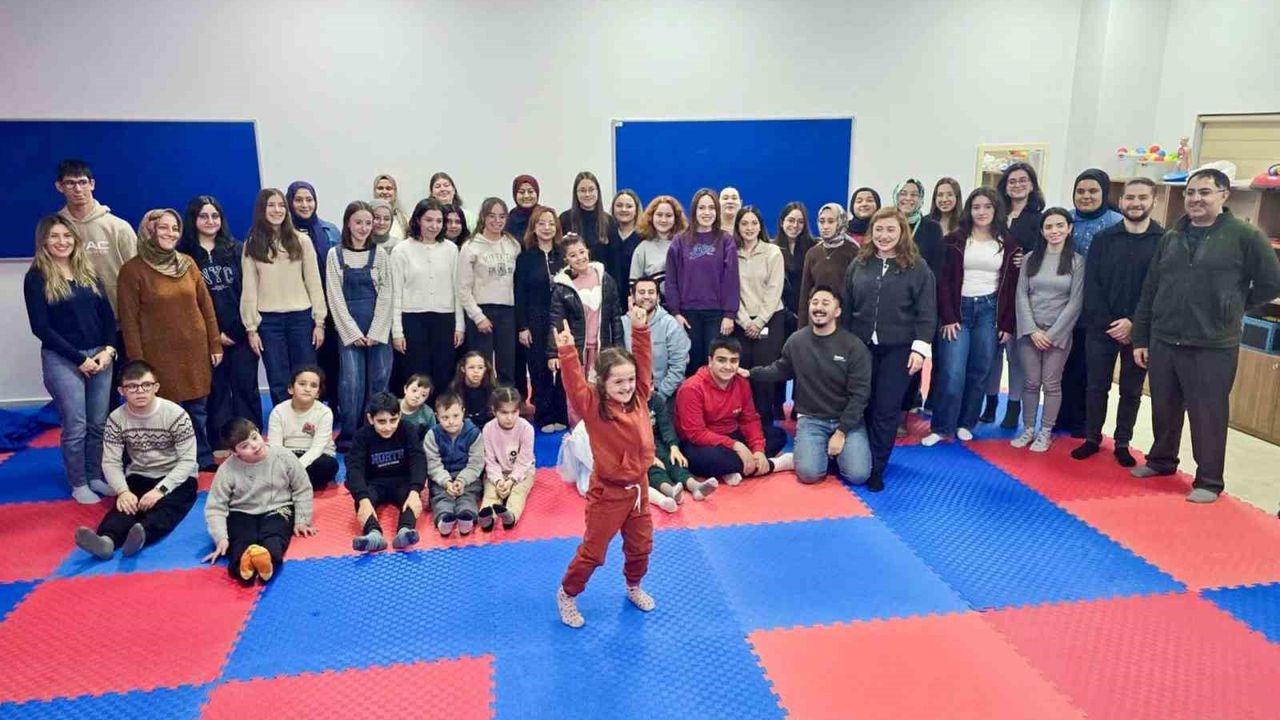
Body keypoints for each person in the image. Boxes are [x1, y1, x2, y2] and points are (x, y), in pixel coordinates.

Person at [1131, 168, 1280, 503]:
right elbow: (1150, 289)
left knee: (1208, 414)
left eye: (1205, 192)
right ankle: (1161, 461)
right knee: (1164, 407)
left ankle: (1209, 480)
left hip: (1212, 344)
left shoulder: (1245, 236)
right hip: (1165, 337)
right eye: (1190, 193)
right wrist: (1141, 338)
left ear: (1224, 195)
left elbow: (1271, 283)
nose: (1195, 199)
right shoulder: (1172, 236)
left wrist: (1233, 306)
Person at [555, 305, 659, 629]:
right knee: (594, 552)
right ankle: (568, 593)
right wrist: (567, 351)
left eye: (630, 380)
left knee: (641, 546)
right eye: (618, 382)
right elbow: (574, 386)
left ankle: (633, 585)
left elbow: (644, 365)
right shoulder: (594, 406)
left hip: (639, 488)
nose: (627, 387)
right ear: (602, 383)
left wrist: (640, 330)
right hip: (608, 494)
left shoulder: (639, 396)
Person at [117, 208, 221, 472]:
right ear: (149, 230)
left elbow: (205, 306)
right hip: (157, 354)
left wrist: (214, 343)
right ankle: (172, 460)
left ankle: (202, 455)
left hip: (194, 350)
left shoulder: (187, 264)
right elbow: (129, 320)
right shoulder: (133, 270)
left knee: (198, 407)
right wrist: (137, 362)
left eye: (175, 228)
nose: (170, 233)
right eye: (163, 227)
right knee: (165, 410)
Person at [24, 216, 117, 503]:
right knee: (76, 424)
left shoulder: (88, 271)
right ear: (44, 241)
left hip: (99, 356)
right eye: (55, 236)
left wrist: (108, 350)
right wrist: (79, 359)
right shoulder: (37, 277)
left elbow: (107, 316)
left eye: (67, 236)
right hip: (63, 359)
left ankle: (94, 475)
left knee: (98, 423)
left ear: (75, 240)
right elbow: (41, 328)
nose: (62, 241)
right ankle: (79, 483)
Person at [841, 209, 935, 488]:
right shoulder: (859, 263)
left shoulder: (917, 267)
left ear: (902, 232)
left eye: (891, 230)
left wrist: (920, 349)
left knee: (886, 408)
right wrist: (844, 345)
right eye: (879, 229)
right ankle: (859, 459)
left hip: (899, 350)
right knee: (863, 405)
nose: (884, 235)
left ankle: (877, 468)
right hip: (861, 348)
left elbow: (927, 311)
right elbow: (847, 306)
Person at [1073, 178, 1164, 466]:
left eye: (1142, 197)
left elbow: (1161, 289)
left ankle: (1122, 441)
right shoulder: (1104, 239)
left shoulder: (1164, 241)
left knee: (1131, 390)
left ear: (1153, 201)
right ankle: (1092, 437)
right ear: (1121, 201)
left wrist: (1134, 323)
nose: (1136, 203)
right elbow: (1092, 285)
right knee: (1096, 386)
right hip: (1101, 327)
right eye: (1130, 197)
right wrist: (1111, 323)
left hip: (1141, 330)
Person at [72, 361, 198, 560]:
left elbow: (188, 460)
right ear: (122, 391)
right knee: (124, 507)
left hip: (176, 475)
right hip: (140, 473)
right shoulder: (116, 418)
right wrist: (123, 491)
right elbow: (111, 462)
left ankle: (142, 535)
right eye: (132, 386)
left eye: (146, 385)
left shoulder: (176, 414)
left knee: (168, 507)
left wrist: (160, 490)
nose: (140, 391)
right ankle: (106, 541)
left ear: (156, 387)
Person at [747, 287, 872, 486]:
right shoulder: (797, 341)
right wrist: (750, 373)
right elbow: (780, 370)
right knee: (808, 475)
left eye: (825, 303)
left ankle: (827, 452)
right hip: (811, 419)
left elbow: (860, 394)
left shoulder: (853, 346)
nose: (819, 308)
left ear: (837, 311)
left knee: (858, 475)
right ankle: (815, 453)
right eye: (815, 303)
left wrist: (841, 432)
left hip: (847, 421)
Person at [924, 188, 1019, 446]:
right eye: (976, 207)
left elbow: (1010, 287)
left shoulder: (1008, 244)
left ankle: (966, 422)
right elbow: (943, 281)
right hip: (958, 310)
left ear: (996, 210)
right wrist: (948, 316)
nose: (982, 212)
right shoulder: (953, 240)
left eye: (987, 206)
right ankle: (941, 426)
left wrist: (1007, 323)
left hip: (989, 311)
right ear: (969, 210)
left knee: (979, 370)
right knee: (952, 371)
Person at [179, 196, 261, 443]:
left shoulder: (237, 249)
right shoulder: (184, 256)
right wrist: (214, 335)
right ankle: (222, 442)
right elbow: (188, 303)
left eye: (215, 216)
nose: (210, 221)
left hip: (241, 332)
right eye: (203, 216)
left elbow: (250, 292)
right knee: (217, 392)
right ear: (193, 220)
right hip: (206, 337)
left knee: (246, 387)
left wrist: (240, 330)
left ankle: (251, 438)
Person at [203, 418, 316, 585]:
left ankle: (268, 562)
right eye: (245, 446)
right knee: (241, 539)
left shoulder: (283, 456)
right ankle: (242, 568)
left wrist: (302, 520)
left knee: (274, 535)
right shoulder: (227, 469)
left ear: (258, 431)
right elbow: (215, 507)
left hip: (278, 507)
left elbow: (302, 488)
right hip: (241, 511)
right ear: (234, 452)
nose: (254, 446)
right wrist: (220, 537)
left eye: (254, 437)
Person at [241, 188, 327, 405]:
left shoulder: (302, 241)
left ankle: (308, 418)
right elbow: (249, 289)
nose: (277, 210)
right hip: (268, 322)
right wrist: (251, 329)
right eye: (271, 205)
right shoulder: (252, 244)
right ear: (261, 209)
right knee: (278, 379)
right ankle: (284, 420)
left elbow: (314, 283)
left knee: (307, 375)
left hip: (301, 318)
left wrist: (319, 322)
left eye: (281, 205)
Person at [1058, 169, 1125, 437]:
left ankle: (1085, 423)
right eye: (1081, 191)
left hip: (1100, 307)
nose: (1086, 196)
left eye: (1093, 191)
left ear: (1104, 193)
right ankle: (1061, 415)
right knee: (1064, 363)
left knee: (1091, 368)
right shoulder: (1065, 219)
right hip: (1064, 304)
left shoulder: (1117, 223)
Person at [1011, 209, 1084, 452]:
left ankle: (1045, 432)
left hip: (1058, 334)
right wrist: (1032, 330)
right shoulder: (1030, 259)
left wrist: (1052, 335)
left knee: (1051, 384)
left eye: (1060, 225)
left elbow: (1075, 302)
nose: (1054, 231)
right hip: (1030, 332)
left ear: (1069, 228)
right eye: (1049, 226)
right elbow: (1021, 294)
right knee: (1031, 382)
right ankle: (1028, 429)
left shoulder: (1077, 262)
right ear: (1042, 231)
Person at [675, 337, 794, 485]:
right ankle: (774, 465)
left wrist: (758, 450)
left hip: (732, 434)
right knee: (708, 459)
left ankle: (735, 468)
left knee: (778, 435)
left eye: (733, 361)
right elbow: (696, 433)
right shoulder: (691, 388)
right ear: (710, 361)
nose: (728, 366)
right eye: (721, 360)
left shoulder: (741, 383)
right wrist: (736, 446)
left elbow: (749, 419)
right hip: (702, 442)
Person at [981, 163, 1044, 427]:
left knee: (1015, 355)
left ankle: (1013, 406)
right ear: (1004, 186)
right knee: (990, 352)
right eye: (1012, 181)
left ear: (1031, 185)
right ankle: (990, 401)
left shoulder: (1038, 219)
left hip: (1020, 293)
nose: (1017, 185)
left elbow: (1044, 254)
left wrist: (1027, 258)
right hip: (991, 290)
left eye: (1022, 180)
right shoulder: (995, 216)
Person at [326, 201, 393, 445]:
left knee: (379, 379)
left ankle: (375, 430)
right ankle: (350, 433)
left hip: (378, 329)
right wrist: (352, 333)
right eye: (358, 222)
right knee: (351, 382)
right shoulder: (335, 255)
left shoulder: (380, 255)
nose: (363, 228)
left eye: (368, 223)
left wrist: (376, 331)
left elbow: (387, 293)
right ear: (348, 224)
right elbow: (335, 296)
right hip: (349, 330)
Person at [547, 233, 625, 426]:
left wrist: (619, 347)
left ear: (588, 251)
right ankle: (578, 432)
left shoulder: (605, 279)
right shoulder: (562, 286)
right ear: (566, 259)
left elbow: (615, 316)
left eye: (582, 252)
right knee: (576, 392)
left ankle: (604, 430)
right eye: (573, 255)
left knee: (603, 390)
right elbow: (556, 320)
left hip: (603, 348)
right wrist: (554, 353)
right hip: (577, 350)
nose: (579, 258)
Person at [391, 198, 464, 398]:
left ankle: (441, 413)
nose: (434, 226)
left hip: (444, 318)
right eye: (429, 220)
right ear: (418, 220)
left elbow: (457, 290)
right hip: (412, 318)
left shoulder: (451, 250)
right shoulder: (401, 250)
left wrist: (459, 326)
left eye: (439, 221)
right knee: (416, 373)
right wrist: (397, 331)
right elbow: (396, 293)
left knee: (443, 372)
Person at [665, 188, 739, 373]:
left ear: (717, 211)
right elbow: (671, 279)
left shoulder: (725, 240)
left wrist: (730, 314)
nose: (707, 213)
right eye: (702, 208)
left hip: (717, 315)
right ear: (694, 211)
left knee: (714, 365)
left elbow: (731, 279)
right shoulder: (679, 241)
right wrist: (675, 312)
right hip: (687, 314)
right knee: (691, 365)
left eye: (711, 208)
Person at [53, 159, 137, 317]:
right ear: (59, 187)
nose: (78, 189)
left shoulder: (119, 227)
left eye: (82, 182)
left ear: (92, 184)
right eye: (70, 183)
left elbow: (138, 274)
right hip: (75, 320)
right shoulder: (55, 229)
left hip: (119, 316)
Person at [891, 179, 944, 421]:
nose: (908, 198)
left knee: (912, 355)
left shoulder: (931, 228)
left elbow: (936, 268)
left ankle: (905, 409)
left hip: (916, 303)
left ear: (921, 198)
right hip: (889, 302)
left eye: (914, 194)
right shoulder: (888, 221)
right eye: (903, 193)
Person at [345, 392, 427, 551]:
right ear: (371, 419)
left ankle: (405, 531)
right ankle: (373, 534)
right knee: (362, 501)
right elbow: (355, 468)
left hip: (402, 481)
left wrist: (415, 490)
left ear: (400, 416)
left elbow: (418, 459)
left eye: (393, 420)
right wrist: (362, 498)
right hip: (374, 483)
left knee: (411, 501)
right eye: (381, 421)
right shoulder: (362, 436)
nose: (388, 427)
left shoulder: (407, 429)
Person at [288, 181, 342, 408]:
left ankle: (333, 408)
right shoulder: (283, 233)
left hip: (329, 305)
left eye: (309, 199)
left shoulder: (330, 231)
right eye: (299, 200)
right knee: (307, 362)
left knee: (333, 360)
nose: (305, 205)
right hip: (299, 308)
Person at [457, 197, 521, 387]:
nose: (497, 221)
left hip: (507, 312)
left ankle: (506, 402)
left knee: (507, 365)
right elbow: (463, 288)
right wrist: (478, 317)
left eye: (501, 216)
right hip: (481, 311)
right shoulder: (470, 247)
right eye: (492, 216)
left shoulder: (512, 245)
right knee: (481, 367)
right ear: (483, 217)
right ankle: (481, 402)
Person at [515, 206, 568, 432]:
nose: (547, 228)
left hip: (561, 321)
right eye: (541, 223)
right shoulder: (525, 258)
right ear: (533, 228)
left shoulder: (564, 256)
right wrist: (522, 326)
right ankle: (544, 415)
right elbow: (519, 294)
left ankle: (562, 412)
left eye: (551, 223)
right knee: (539, 369)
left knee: (564, 367)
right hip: (535, 321)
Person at [732, 206, 785, 425]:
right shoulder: (731, 253)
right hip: (741, 321)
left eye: (754, 223)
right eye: (744, 223)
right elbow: (730, 290)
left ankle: (764, 425)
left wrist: (760, 321)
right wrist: (745, 322)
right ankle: (744, 423)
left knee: (763, 375)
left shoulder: (773, 252)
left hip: (770, 320)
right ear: (737, 227)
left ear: (760, 226)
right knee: (741, 373)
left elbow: (774, 289)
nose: (749, 228)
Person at [267, 366, 339, 490]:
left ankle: (288, 484)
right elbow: (275, 447)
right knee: (265, 461)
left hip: (316, 457)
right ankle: (298, 484)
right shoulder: (278, 411)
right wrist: (286, 465)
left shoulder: (325, 412)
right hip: (288, 455)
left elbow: (317, 448)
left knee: (328, 466)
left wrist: (296, 469)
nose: (307, 389)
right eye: (302, 384)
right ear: (291, 389)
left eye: (313, 386)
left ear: (318, 393)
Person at [424, 392, 485, 536]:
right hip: (441, 478)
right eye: (445, 417)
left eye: (456, 416)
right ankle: (444, 519)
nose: (451, 422)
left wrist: (462, 481)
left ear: (463, 412)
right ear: (437, 416)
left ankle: (467, 517)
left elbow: (475, 464)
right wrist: (446, 482)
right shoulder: (432, 435)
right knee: (440, 496)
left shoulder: (474, 433)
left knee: (469, 495)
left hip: (467, 477)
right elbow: (433, 464)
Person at [623, 277, 690, 402]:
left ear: (658, 298)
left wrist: (660, 396)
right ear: (633, 297)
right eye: (641, 292)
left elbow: (678, 365)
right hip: (628, 393)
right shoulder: (622, 323)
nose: (646, 296)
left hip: (663, 393)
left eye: (651, 292)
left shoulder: (670, 324)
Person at [479, 386, 535, 531]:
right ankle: (487, 518)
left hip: (522, 472)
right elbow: (490, 461)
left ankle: (511, 516)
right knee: (491, 493)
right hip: (496, 472)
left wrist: (511, 481)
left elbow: (524, 461)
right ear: (494, 411)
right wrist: (498, 481)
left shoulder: (526, 428)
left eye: (514, 412)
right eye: (504, 412)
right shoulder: (488, 429)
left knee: (518, 493)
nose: (510, 417)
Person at [798, 202, 858, 326]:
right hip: (816, 319)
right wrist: (802, 328)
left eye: (831, 221)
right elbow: (804, 294)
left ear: (840, 222)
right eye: (822, 221)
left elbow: (856, 292)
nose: (825, 226)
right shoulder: (812, 253)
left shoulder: (853, 251)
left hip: (843, 321)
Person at [559, 171, 614, 282]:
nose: (587, 194)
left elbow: (614, 260)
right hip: (572, 283)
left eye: (591, 189)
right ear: (576, 193)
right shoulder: (565, 219)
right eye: (582, 190)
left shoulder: (609, 221)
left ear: (598, 191)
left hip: (602, 283)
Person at [631, 195, 686, 295]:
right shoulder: (642, 249)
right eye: (659, 215)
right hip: (652, 304)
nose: (663, 220)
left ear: (676, 218)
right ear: (651, 217)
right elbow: (634, 286)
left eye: (668, 215)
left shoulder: (684, 246)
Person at [607, 189, 644, 290]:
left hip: (636, 293)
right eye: (619, 205)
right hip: (610, 294)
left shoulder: (644, 237)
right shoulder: (606, 235)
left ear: (636, 210)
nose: (623, 209)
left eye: (629, 206)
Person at [451, 351, 496, 429]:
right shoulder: (454, 390)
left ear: (485, 369)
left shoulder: (493, 390)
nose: (476, 371)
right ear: (463, 369)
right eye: (471, 367)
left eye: (480, 367)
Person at [372, 173, 409, 240]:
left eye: (388, 188)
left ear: (395, 192)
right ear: (374, 191)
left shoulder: (405, 220)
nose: (384, 192)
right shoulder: (367, 217)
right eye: (380, 188)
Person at [505, 174, 540, 244]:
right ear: (515, 194)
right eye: (521, 192)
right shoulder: (509, 220)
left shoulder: (545, 215)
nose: (526, 196)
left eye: (530, 192)